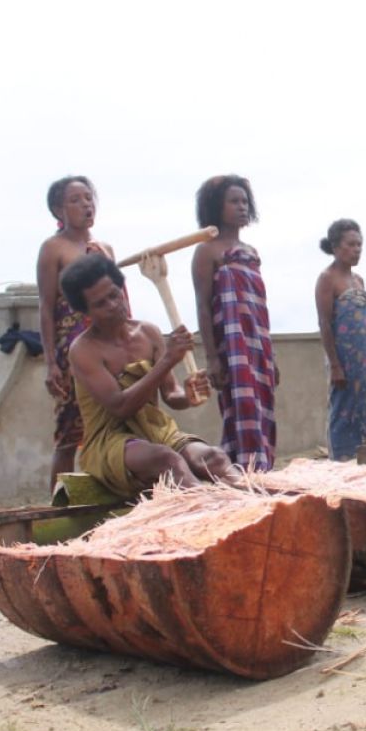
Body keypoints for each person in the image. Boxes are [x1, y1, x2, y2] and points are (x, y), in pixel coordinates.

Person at [62, 255, 242, 497]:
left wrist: (188, 395)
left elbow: (171, 394)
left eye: (115, 295)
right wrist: (168, 360)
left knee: (215, 457)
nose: (113, 305)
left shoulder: (148, 332)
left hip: (156, 431)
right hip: (110, 441)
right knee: (168, 461)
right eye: (101, 303)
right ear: (86, 311)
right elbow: (120, 407)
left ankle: (260, 505)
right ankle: (213, 515)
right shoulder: (83, 350)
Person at [36, 175, 116, 492]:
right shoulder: (53, 248)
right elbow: (45, 307)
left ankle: (107, 494)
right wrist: (51, 363)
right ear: (58, 209)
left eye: (88, 197)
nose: (86, 204)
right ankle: (58, 502)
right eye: (75, 200)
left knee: (113, 425)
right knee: (69, 430)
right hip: (73, 351)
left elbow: (118, 298)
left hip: (109, 347)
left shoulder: (104, 248)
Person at [191, 175, 277, 471]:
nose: (241, 207)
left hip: (257, 348)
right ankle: (241, 472)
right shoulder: (207, 251)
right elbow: (202, 306)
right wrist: (212, 358)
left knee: (262, 409)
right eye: (233, 201)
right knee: (239, 409)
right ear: (216, 207)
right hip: (231, 348)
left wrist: (270, 356)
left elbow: (260, 310)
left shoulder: (251, 253)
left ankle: (262, 471)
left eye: (244, 201)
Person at [314, 219, 366, 461]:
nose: (357, 249)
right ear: (336, 247)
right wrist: (336, 364)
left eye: (360, 244)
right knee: (343, 408)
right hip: (344, 361)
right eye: (351, 244)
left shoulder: (359, 280)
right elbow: (324, 324)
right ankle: (341, 460)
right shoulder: (327, 279)